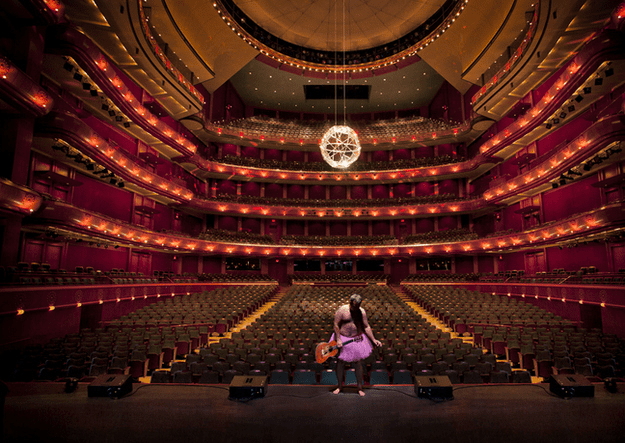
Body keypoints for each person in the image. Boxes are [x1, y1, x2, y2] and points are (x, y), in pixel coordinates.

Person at [331, 294, 382, 396]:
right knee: (340, 363)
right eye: (354, 306)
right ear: (350, 303)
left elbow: (366, 326)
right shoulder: (342, 310)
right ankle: (340, 386)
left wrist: (373, 339)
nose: (356, 308)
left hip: (356, 338)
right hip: (343, 337)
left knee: (357, 363)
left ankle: (359, 387)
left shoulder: (361, 312)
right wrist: (338, 339)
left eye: (358, 306)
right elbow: (336, 324)